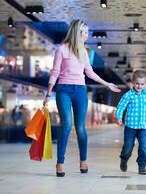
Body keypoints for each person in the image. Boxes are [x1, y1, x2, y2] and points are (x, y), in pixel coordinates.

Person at [43, 19, 121, 177]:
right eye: (85, 32)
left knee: (80, 128)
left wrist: (107, 84)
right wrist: (48, 93)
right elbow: (55, 72)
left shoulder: (84, 51)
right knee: (66, 125)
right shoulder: (62, 50)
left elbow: (89, 72)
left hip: (80, 91)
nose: (87, 35)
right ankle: (60, 163)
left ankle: (83, 160)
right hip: (63, 90)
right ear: (77, 33)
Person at [116, 70, 146, 175]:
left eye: (142, 84)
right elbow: (121, 106)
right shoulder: (128, 95)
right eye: (137, 84)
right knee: (128, 147)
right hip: (130, 127)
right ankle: (124, 159)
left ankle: (142, 166)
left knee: (143, 147)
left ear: (145, 83)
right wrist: (119, 116)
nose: (139, 86)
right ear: (133, 82)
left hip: (143, 127)